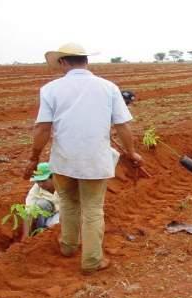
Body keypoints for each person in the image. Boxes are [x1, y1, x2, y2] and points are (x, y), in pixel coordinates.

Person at [24, 43, 142, 274]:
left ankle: (68, 246)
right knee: (92, 209)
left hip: (63, 161)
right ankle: (91, 261)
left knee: (68, 202)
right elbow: (122, 126)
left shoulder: (50, 89)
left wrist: (33, 158)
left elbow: (42, 128)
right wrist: (132, 153)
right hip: (95, 161)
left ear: (63, 62)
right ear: (86, 61)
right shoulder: (108, 88)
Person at [23, 162, 60, 240]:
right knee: (40, 204)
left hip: (64, 214)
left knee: (55, 225)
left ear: (53, 177)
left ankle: (48, 230)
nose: (41, 184)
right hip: (48, 215)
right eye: (38, 181)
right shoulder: (36, 189)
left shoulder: (64, 186)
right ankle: (40, 233)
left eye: (43, 181)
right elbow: (28, 212)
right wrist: (25, 237)